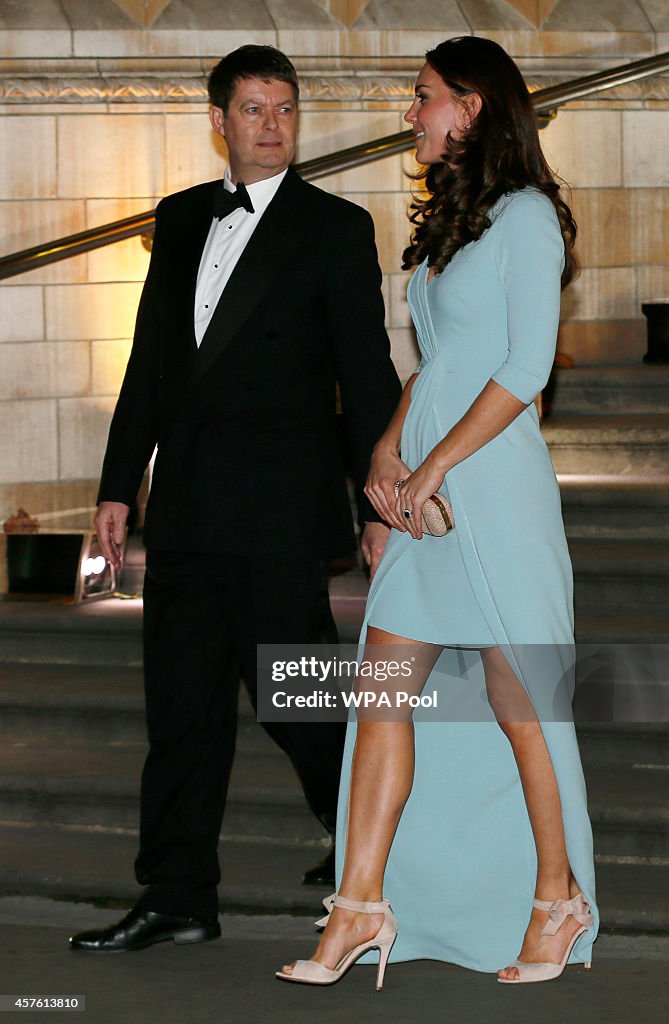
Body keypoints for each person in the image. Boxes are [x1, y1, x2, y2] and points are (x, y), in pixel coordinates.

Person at [278, 35, 598, 988]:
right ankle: (358, 906)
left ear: (470, 107)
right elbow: (439, 365)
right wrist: (386, 449)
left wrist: (436, 472)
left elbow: (522, 371)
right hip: (426, 486)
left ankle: (556, 900)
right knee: (382, 690)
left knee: (517, 705)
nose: (409, 112)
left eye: (421, 97)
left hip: (491, 491)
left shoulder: (530, 217)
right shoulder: (454, 222)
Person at [69, 44, 401, 954]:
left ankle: (372, 847)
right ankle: (177, 896)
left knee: (297, 699)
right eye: (253, 110)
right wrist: (115, 488)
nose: (271, 126)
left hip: (279, 512)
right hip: (185, 509)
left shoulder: (333, 226)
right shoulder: (178, 219)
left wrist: (379, 499)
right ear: (218, 120)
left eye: (285, 109)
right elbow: (150, 363)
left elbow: (364, 373)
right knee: (180, 712)